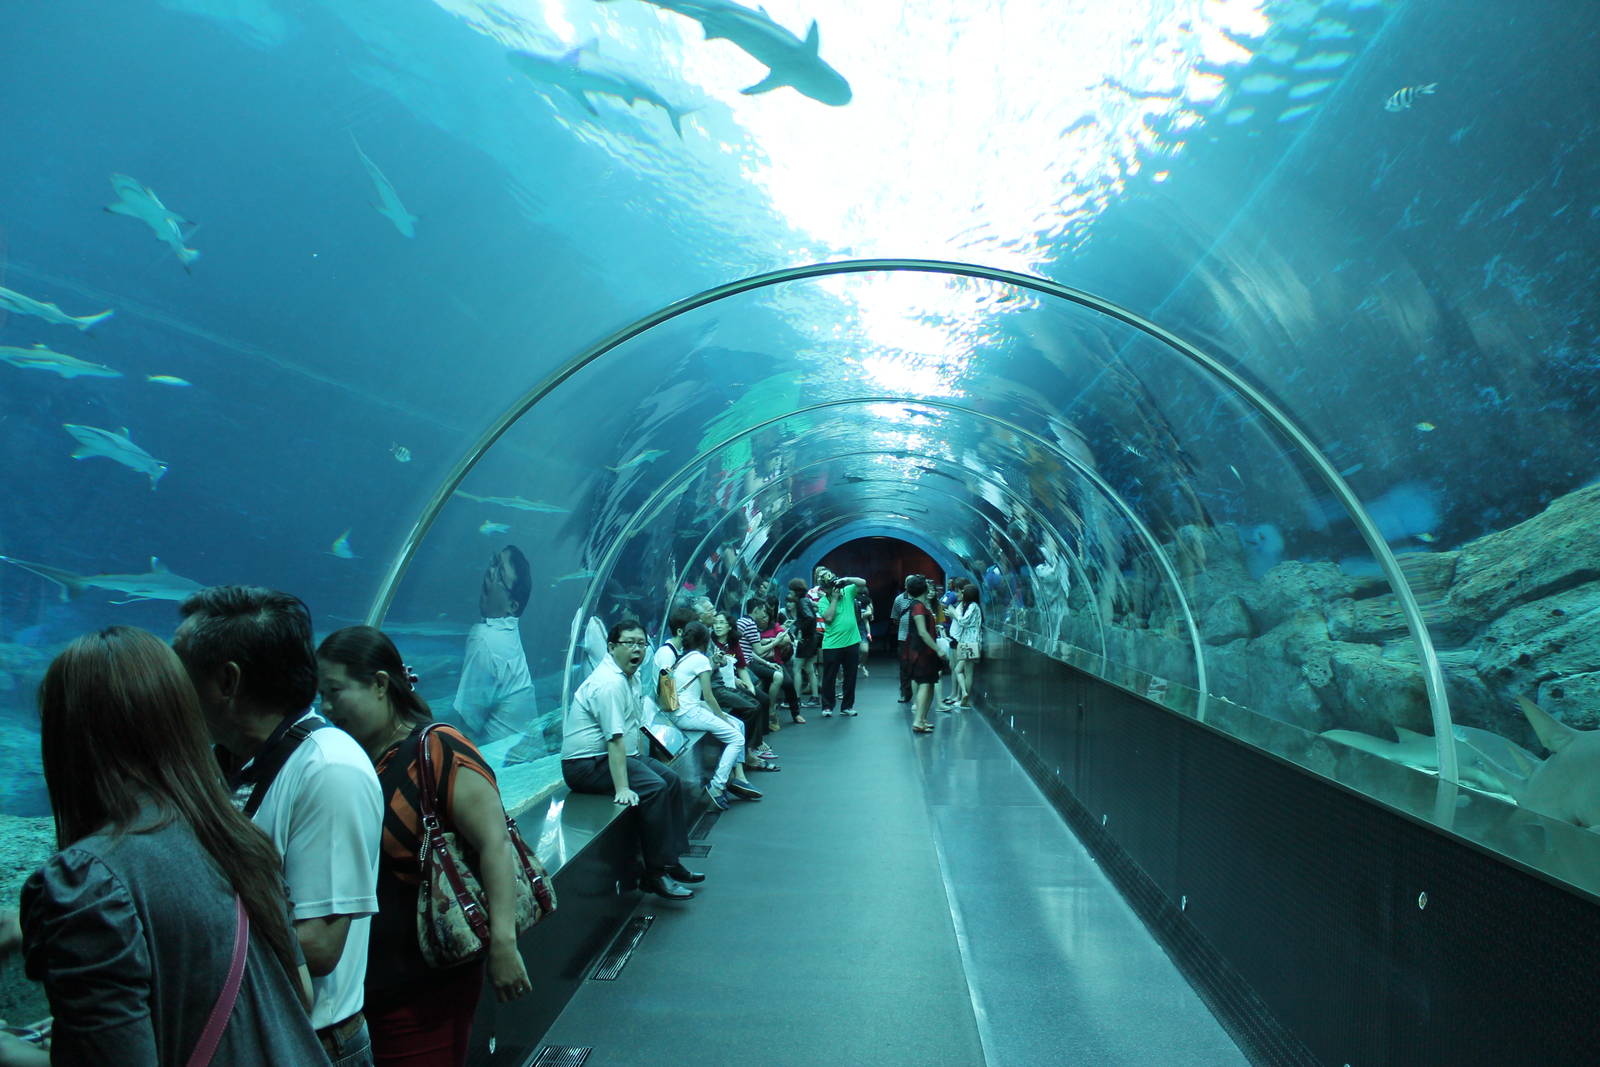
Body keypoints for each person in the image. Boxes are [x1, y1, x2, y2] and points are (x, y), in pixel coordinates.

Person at [0, 627, 329, 1066]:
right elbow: (297, 995)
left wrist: (8, 1050)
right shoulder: (238, 838)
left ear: (68, 738)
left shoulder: (87, 879)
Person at [175, 587, 382, 1067]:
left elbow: (321, 944)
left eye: (180, 672)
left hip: (309, 1044)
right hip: (245, 1034)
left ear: (227, 682)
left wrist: (161, 942)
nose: (169, 688)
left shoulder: (330, 769)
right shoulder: (221, 763)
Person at [317, 626, 531, 1067]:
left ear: (380, 684)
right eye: (321, 694)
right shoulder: (351, 758)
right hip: (363, 981)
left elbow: (494, 844)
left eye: (336, 691)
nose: (327, 706)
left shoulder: (439, 748)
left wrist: (504, 945)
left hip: (428, 979)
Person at [562, 619, 702, 901]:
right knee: (654, 787)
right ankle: (655, 872)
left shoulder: (631, 677)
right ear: (612, 647)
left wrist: (643, 760)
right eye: (629, 643)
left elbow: (632, 728)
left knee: (671, 780)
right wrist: (622, 787)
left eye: (641, 643)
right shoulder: (610, 683)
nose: (636, 649)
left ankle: (671, 860)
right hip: (586, 764)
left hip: (616, 755)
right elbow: (613, 740)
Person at [657, 620, 761, 809]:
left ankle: (736, 777)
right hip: (687, 712)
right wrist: (721, 717)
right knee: (736, 738)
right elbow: (709, 695)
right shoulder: (701, 660)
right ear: (705, 640)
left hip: (680, 709)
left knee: (738, 724)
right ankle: (717, 786)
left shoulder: (685, 657)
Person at [453, 546, 536, 745]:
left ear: (512, 606)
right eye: (494, 563)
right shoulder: (508, 633)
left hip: (501, 764)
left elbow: (468, 725)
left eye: (499, 574)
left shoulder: (484, 638)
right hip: (525, 754)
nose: (489, 573)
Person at [709, 611, 780, 774]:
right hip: (725, 684)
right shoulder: (710, 642)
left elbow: (741, 666)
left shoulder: (733, 642)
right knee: (751, 706)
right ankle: (750, 748)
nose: (717, 626)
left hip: (732, 680)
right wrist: (737, 681)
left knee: (761, 698)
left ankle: (756, 743)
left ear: (729, 626)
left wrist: (750, 687)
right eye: (715, 623)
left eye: (721, 623)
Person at [816, 567, 868, 718]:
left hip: (852, 642)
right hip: (832, 644)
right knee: (829, 677)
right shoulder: (823, 601)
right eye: (830, 587)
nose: (834, 588)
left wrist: (846, 579)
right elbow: (829, 618)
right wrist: (834, 599)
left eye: (834, 585)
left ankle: (847, 706)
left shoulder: (848, 592)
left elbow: (862, 582)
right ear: (825, 589)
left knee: (850, 676)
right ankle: (827, 706)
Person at [904, 577, 949, 733]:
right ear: (924, 590)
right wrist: (938, 649)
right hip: (921, 652)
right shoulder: (918, 607)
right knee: (924, 683)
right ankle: (918, 720)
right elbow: (922, 632)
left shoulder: (921, 606)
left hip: (926, 652)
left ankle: (922, 719)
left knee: (929, 683)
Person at [948, 584, 984, 709]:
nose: (960, 594)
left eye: (963, 592)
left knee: (966, 671)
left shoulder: (973, 606)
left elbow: (964, 621)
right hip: (968, 642)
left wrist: (954, 614)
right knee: (961, 670)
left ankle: (966, 698)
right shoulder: (972, 606)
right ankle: (964, 694)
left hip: (970, 642)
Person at [788, 577, 818, 715]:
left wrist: (799, 629)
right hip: (812, 639)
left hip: (805, 640)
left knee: (796, 669)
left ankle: (797, 699)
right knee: (810, 669)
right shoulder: (806, 600)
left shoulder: (801, 603)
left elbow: (809, 617)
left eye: (791, 591)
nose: (790, 594)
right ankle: (815, 697)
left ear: (796, 591)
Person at [890, 576, 917, 704]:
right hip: (903, 638)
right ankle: (905, 693)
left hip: (919, 638)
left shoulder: (921, 598)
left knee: (919, 666)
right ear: (905, 585)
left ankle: (918, 694)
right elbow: (895, 618)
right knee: (904, 667)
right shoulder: (899, 599)